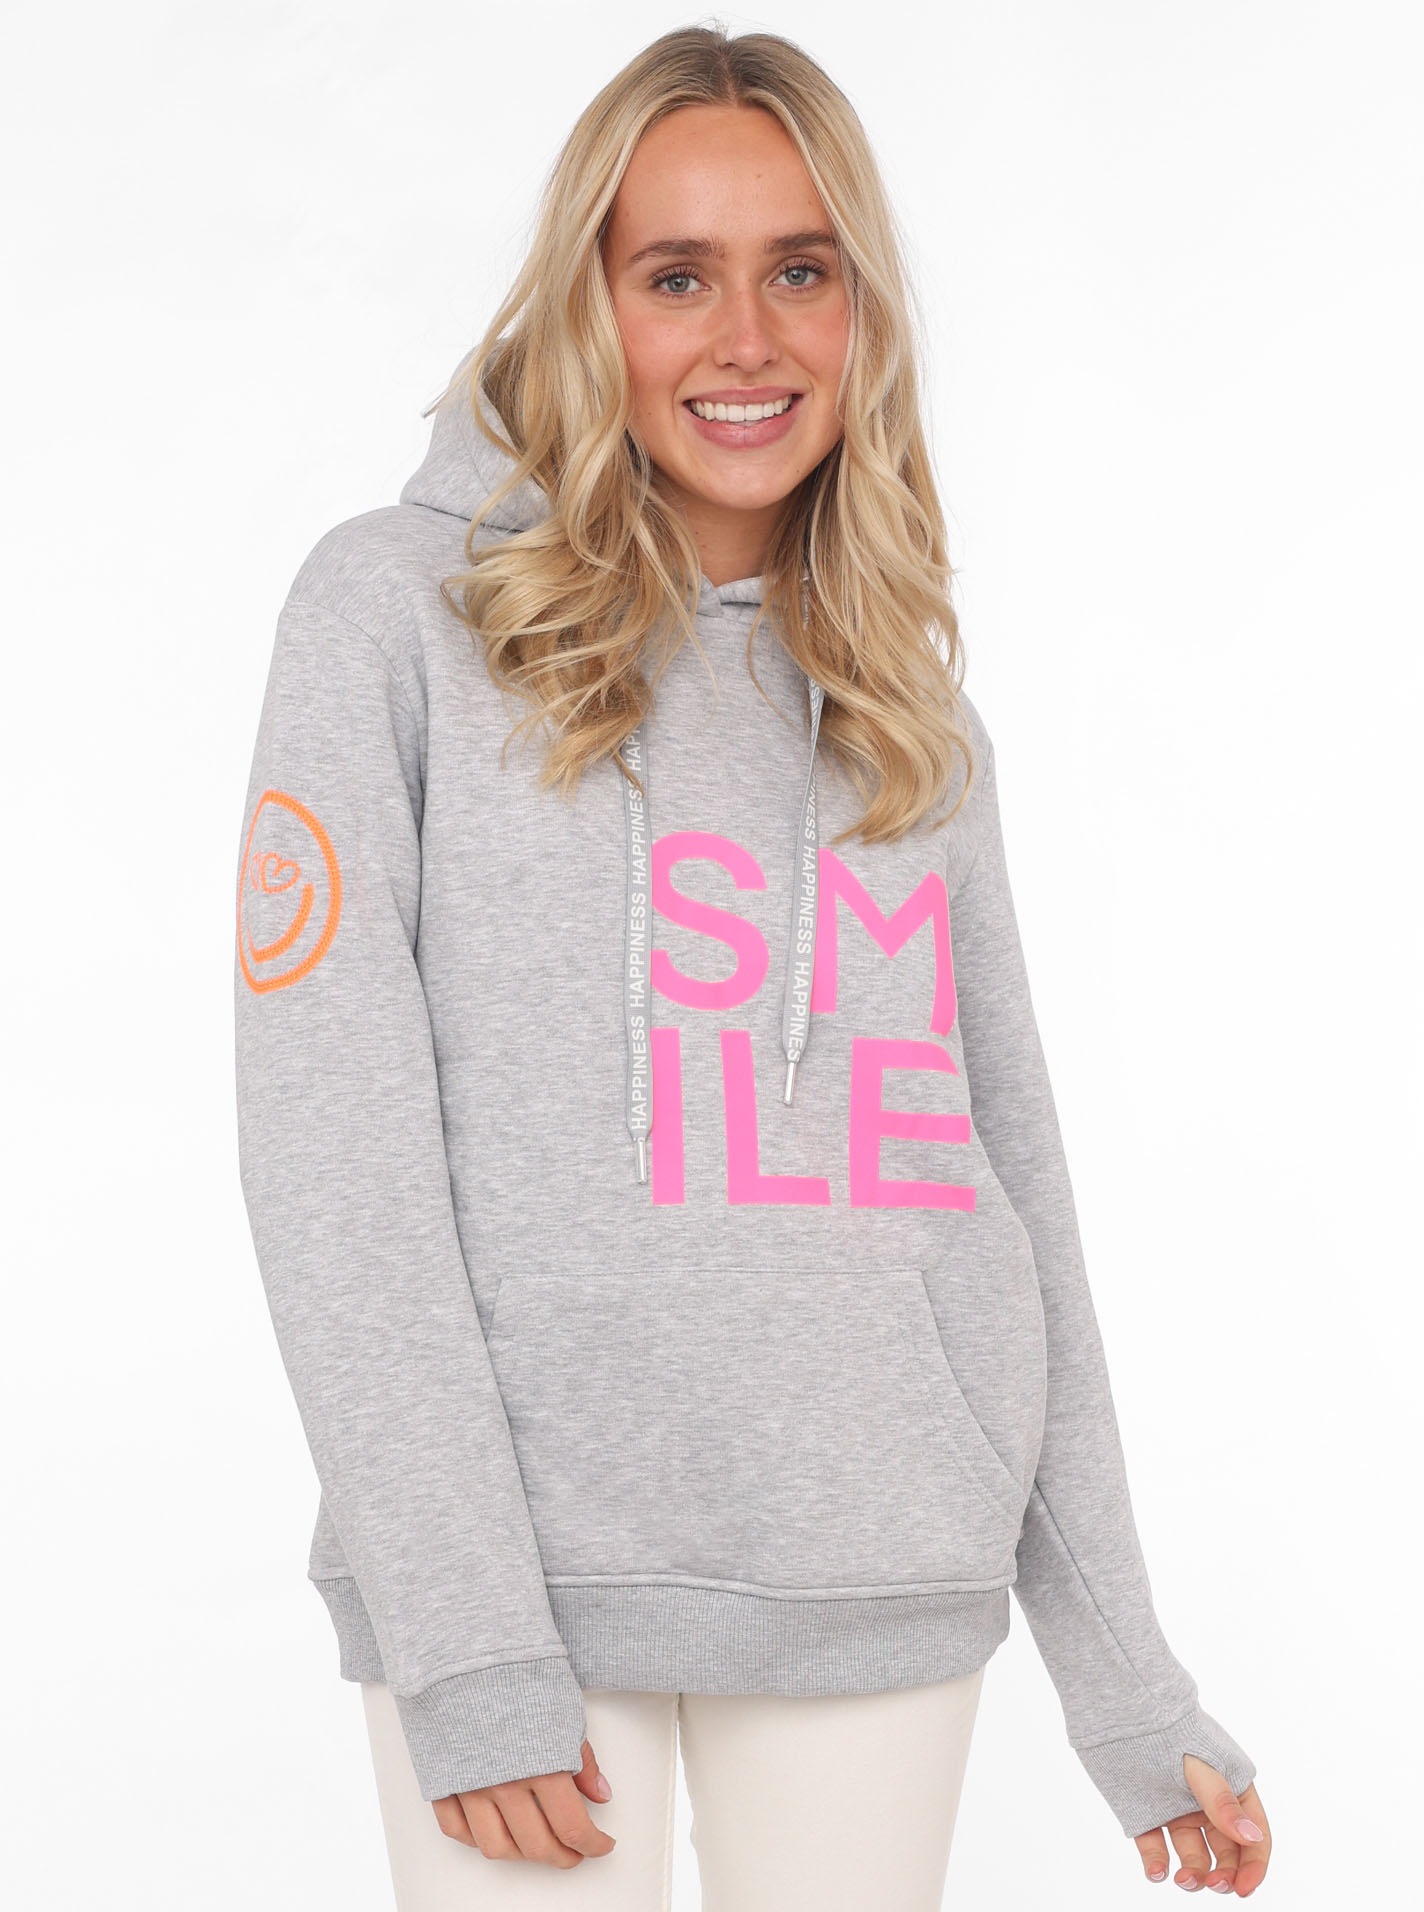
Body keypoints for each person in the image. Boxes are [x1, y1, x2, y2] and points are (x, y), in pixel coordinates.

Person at [232, 24, 1272, 1909]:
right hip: (528, 1591)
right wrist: (465, 1637)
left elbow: (1010, 1193)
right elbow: (336, 1164)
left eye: (801, 270)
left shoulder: (909, 720)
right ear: (585, 302)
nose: (746, 339)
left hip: (884, 1570)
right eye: (676, 276)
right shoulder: (394, 618)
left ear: (862, 310)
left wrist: (1127, 1679)